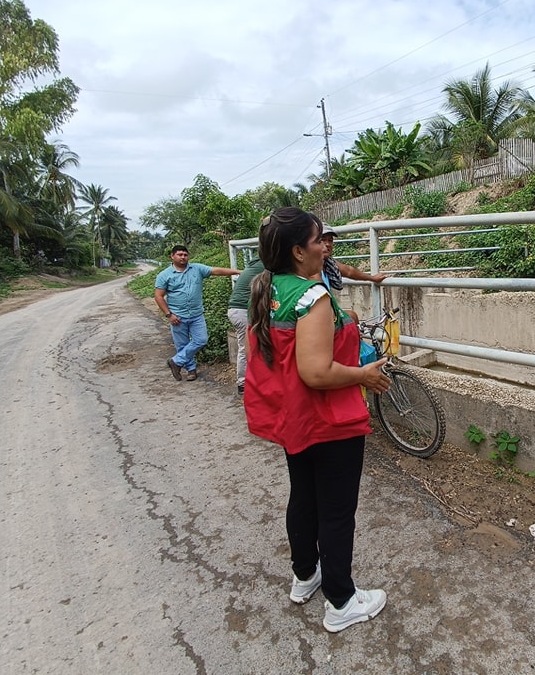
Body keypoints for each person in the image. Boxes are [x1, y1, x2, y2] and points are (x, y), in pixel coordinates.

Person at [244, 207, 392, 633]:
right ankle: (341, 601)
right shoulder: (314, 297)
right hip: (327, 419)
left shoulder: (271, 286)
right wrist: (364, 375)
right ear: (298, 251)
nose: (325, 247)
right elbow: (316, 372)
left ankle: (305, 575)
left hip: (295, 417)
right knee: (337, 511)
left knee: (304, 497)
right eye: (317, 241)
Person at [153, 245, 240, 382]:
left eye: (185, 254)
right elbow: (158, 296)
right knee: (182, 345)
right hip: (177, 316)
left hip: (196, 314)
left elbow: (216, 271)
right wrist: (169, 314)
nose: (183, 257)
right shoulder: (164, 275)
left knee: (201, 340)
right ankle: (191, 370)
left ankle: (176, 361)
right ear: (172, 256)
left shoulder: (197, 269)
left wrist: (238, 271)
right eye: (179, 254)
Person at [320, 223, 389, 321]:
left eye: (330, 240)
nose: (327, 244)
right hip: (317, 317)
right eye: (322, 240)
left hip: (327, 313)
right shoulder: (309, 267)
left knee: (352, 316)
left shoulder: (329, 264)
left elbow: (349, 271)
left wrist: (372, 278)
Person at [226, 254, 265, 395]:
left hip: (238, 310)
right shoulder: (265, 266)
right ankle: (243, 384)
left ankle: (248, 381)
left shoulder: (255, 264)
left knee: (250, 345)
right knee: (245, 347)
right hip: (242, 310)